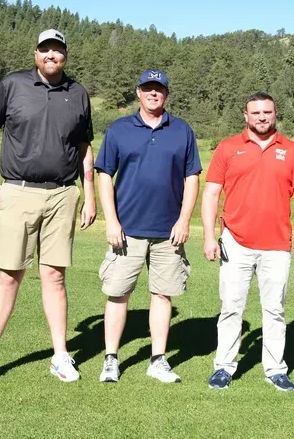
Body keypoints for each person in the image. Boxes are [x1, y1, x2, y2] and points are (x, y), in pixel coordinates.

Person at [0, 29, 96, 386]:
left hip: (62, 194)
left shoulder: (78, 93)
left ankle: (60, 356)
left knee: (55, 276)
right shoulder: (13, 85)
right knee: (9, 275)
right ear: (36, 53)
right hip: (19, 191)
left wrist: (88, 194)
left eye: (57, 50)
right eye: (45, 50)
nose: (51, 55)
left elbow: (85, 146)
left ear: (65, 56)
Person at [95, 69, 202, 384]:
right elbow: (104, 176)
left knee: (163, 294)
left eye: (159, 89)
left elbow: (192, 177)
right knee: (117, 294)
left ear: (167, 94)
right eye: (148, 88)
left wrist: (184, 220)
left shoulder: (181, 130)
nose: (153, 93)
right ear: (138, 92)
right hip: (126, 230)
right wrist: (111, 221)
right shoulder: (119, 130)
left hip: (168, 232)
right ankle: (111, 359)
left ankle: (157, 360)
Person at [202, 92, 294, 392]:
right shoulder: (228, 148)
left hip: (277, 245)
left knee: (275, 310)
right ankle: (224, 367)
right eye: (256, 112)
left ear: (276, 114)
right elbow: (211, 193)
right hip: (235, 242)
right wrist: (210, 236)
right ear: (245, 115)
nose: (262, 117)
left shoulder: (291, 151)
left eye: (267, 112)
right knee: (230, 307)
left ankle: (275, 369)